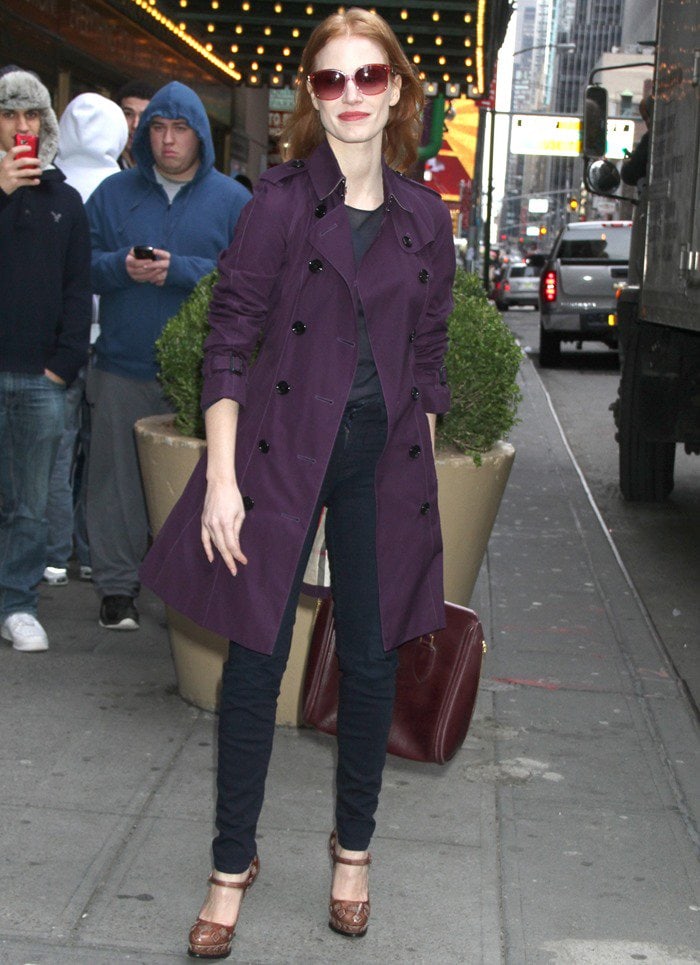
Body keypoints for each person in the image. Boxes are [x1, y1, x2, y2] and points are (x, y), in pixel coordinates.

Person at [139, 8, 455, 956]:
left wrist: (418, 473)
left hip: (377, 458)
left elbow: (430, 353)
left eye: (369, 77)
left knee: (369, 661)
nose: (351, 96)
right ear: (308, 96)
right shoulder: (277, 202)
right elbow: (227, 344)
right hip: (278, 454)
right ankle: (231, 863)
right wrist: (224, 480)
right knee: (255, 660)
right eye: (331, 79)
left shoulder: (423, 219)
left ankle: (351, 849)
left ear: (395, 89)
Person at [86, 81, 250, 631]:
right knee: (115, 484)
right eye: (158, 127)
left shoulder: (233, 201)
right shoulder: (111, 194)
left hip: (202, 376)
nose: (168, 140)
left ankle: (190, 593)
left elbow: (252, 279)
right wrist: (119, 267)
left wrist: (177, 269)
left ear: (200, 134)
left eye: (180, 128)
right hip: (120, 365)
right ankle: (115, 588)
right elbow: (75, 267)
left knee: (199, 485)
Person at [0, 66, 91, 652]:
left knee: (31, 506)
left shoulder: (68, 201)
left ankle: (17, 603)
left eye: (32, 115)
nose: (21, 126)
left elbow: (77, 291)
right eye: (9, 114)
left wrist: (63, 365)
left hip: (41, 378)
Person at [43, 93, 128, 587]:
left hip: (57, 344)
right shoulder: (119, 189)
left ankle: (53, 554)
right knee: (101, 460)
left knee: (56, 452)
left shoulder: (52, 185)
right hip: (110, 341)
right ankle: (91, 550)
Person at [114, 79, 155, 169]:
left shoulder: (164, 171)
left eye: (143, 116)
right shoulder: (103, 167)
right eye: (128, 114)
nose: (135, 125)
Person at [621, 95, 653, 189]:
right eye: (644, 119)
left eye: (647, 117)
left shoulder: (649, 139)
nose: (647, 122)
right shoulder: (649, 139)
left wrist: (629, 162)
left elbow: (630, 173)